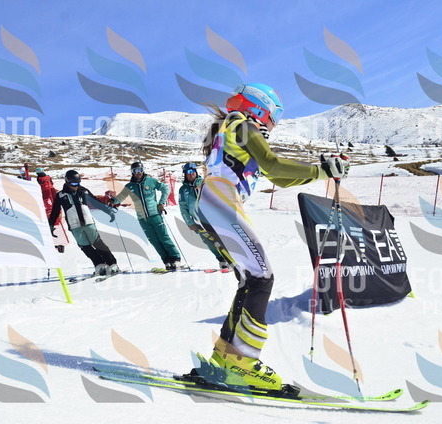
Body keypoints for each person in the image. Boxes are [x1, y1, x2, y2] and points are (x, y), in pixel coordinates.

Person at [185, 83, 350, 390]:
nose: (274, 123)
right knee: (262, 279)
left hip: (213, 202)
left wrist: (322, 172)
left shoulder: (233, 127)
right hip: (221, 201)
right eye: (275, 116)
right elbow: (273, 164)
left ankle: (225, 357)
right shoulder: (243, 125)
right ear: (259, 109)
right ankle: (244, 362)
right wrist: (322, 170)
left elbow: (277, 177)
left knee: (251, 279)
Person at [110, 162, 181, 270]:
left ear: (143, 170)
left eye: (140, 170)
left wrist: (161, 203)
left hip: (155, 215)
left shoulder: (150, 181)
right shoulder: (130, 186)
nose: (138, 173)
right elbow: (121, 197)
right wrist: (112, 201)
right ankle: (166, 261)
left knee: (164, 237)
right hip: (143, 219)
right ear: (132, 172)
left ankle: (175, 259)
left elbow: (165, 188)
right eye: (135, 171)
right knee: (154, 241)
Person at [48, 170, 119, 276]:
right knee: (86, 247)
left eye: (78, 183)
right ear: (67, 181)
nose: (76, 186)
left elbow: (96, 203)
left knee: (98, 244)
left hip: (88, 223)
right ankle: (100, 266)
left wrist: (109, 211)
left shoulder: (84, 191)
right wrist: (51, 224)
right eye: (73, 184)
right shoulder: (61, 195)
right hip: (74, 226)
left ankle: (112, 264)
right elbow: (55, 211)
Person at [178, 162, 228, 270]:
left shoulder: (204, 183)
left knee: (220, 239)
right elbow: (183, 209)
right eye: (188, 172)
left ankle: (230, 259)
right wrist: (189, 223)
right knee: (208, 242)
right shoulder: (183, 190)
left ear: (196, 172)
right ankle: (221, 260)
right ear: (185, 174)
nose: (191, 174)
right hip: (197, 221)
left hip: (211, 218)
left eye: (193, 171)